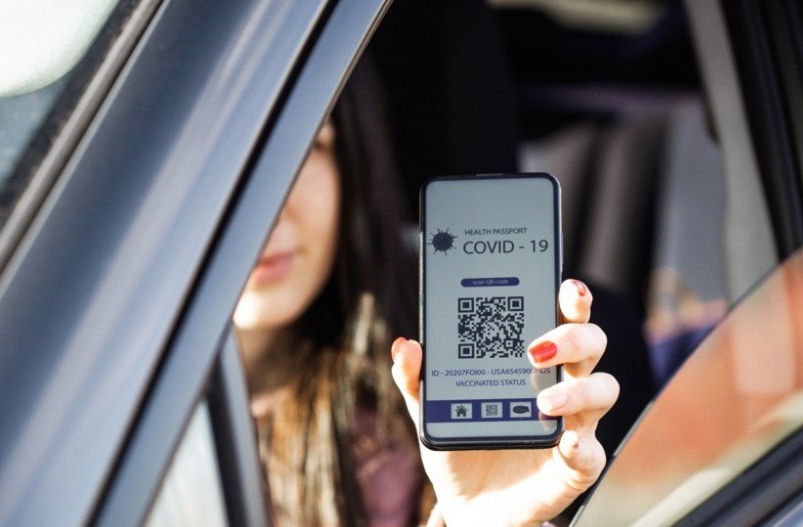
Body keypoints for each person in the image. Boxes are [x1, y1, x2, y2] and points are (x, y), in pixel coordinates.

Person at [232, 61, 618, 527]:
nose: (265, 209)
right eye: (226, 158)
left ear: (352, 166)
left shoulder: (400, 439)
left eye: (301, 150)